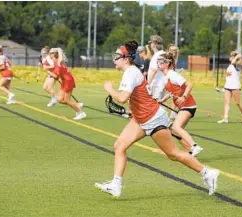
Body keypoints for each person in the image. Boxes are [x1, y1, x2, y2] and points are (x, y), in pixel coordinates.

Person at [94, 40, 219, 198]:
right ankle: (116, 185)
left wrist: (110, 89)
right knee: (119, 146)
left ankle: (208, 172)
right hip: (141, 118)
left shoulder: (131, 72)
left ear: (126, 58)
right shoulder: (130, 72)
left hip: (153, 119)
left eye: (117, 56)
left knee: (173, 154)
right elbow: (134, 98)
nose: (114, 59)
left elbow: (122, 97)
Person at [157, 52, 203, 156]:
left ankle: (195, 146)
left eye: (161, 61)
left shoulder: (172, 74)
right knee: (177, 132)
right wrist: (161, 100)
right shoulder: (165, 77)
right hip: (184, 106)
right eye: (158, 61)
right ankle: (190, 153)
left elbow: (189, 84)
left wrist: (184, 97)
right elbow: (170, 92)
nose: (158, 63)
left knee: (175, 127)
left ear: (167, 63)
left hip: (188, 105)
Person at [48, 48, 86, 120]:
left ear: (56, 58)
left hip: (68, 81)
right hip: (65, 81)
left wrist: (49, 73)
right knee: (59, 100)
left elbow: (56, 76)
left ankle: (81, 113)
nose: (51, 59)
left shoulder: (59, 63)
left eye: (52, 58)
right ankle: (77, 105)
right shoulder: (59, 63)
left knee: (67, 100)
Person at [217, 51, 242, 124]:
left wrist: (237, 55)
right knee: (226, 102)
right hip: (227, 86)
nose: (229, 57)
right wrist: (222, 89)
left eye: (231, 56)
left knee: (238, 103)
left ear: (234, 58)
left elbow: (240, 55)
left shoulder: (237, 65)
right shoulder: (230, 66)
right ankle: (225, 118)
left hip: (235, 86)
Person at [147, 35, 166, 100]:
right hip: (161, 84)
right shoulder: (163, 53)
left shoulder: (157, 55)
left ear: (154, 44)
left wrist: (147, 83)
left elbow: (154, 70)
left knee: (156, 107)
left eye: (151, 43)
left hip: (156, 85)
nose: (151, 45)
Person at [167, 44, 180, 122]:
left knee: (175, 95)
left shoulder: (174, 59)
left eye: (174, 51)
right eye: (171, 50)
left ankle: (173, 114)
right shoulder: (167, 58)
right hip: (166, 80)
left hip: (171, 79)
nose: (173, 52)